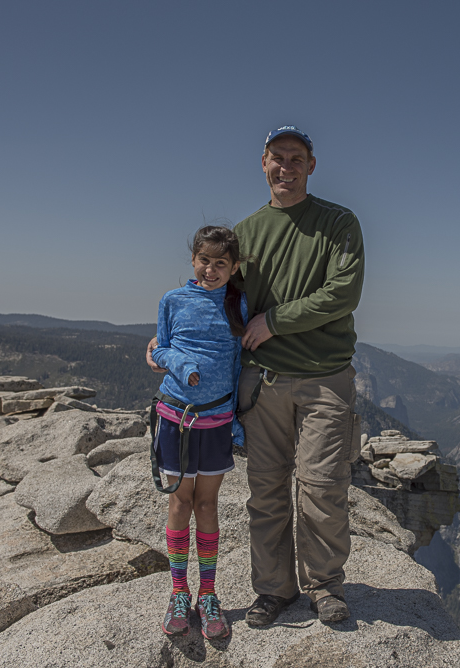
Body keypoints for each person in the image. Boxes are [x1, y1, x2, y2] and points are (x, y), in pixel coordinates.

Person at [148, 125, 364, 626]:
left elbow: (342, 294)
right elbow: (211, 292)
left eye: (296, 158)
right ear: (262, 163)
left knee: (322, 486)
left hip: (324, 376)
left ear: (312, 166)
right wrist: (168, 341)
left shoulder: (339, 222)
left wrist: (274, 321)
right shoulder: (246, 232)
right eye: (277, 157)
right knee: (266, 490)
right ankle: (273, 590)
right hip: (261, 380)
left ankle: (325, 587)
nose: (286, 167)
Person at [150, 225, 248, 640]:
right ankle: (178, 591)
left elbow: (240, 364)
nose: (211, 269)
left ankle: (208, 594)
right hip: (175, 415)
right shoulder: (172, 301)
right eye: (204, 260)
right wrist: (180, 366)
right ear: (193, 260)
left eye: (220, 263)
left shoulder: (237, 304)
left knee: (207, 507)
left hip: (216, 420)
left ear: (234, 267)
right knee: (179, 504)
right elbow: (161, 348)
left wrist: (238, 420)